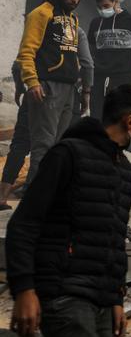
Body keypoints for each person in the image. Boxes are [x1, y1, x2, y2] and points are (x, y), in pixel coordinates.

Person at [6, 84, 131, 337]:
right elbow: (24, 224)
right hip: (63, 292)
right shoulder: (68, 154)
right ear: (130, 121)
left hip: (101, 300)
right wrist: (24, 289)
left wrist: (116, 297)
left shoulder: (124, 171)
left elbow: (114, 240)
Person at [0, 28, 90, 211]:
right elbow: (88, 64)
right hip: (66, 96)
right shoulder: (77, 31)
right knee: (52, 148)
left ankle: (2, 196)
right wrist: (85, 92)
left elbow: (19, 64)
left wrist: (20, 87)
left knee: (20, 144)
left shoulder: (40, 28)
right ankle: (36, 200)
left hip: (35, 91)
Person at [17, 0, 87, 182]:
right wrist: (32, 82)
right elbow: (26, 52)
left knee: (58, 146)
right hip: (47, 87)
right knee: (44, 145)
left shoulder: (72, 19)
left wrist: (83, 89)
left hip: (69, 88)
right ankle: (34, 197)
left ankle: (48, 195)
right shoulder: (41, 13)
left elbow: (73, 56)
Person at [87, 0, 131, 121]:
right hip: (98, 79)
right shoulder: (95, 23)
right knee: (97, 118)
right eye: (100, 7)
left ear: (116, 1)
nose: (104, 10)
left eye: (106, 5)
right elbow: (89, 52)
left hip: (123, 78)